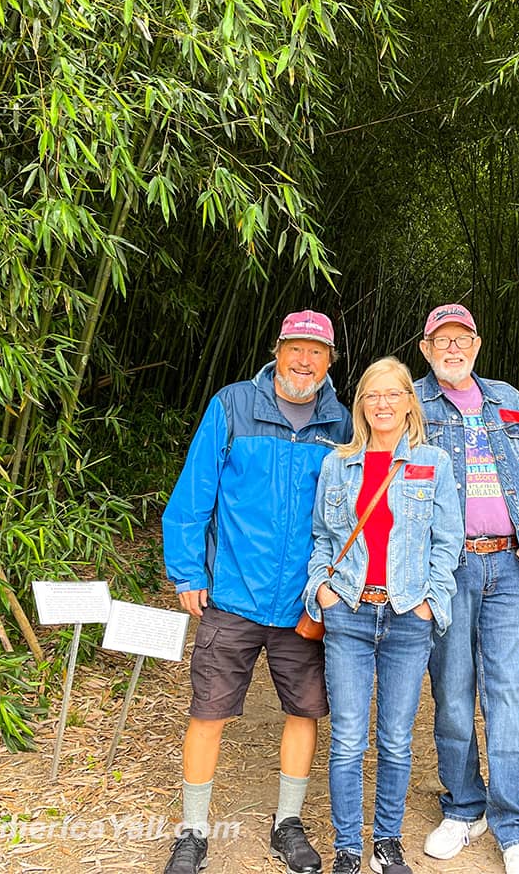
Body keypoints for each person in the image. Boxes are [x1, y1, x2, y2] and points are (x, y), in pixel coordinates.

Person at [161, 310, 352, 874]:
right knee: (208, 711)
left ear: (329, 361)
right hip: (233, 594)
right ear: (278, 348)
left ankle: (287, 823)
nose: (304, 360)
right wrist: (188, 571)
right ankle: (193, 832)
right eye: (296, 348)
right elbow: (194, 493)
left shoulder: (342, 423)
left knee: (304, 710)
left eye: (316, 352)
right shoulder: (233, 405)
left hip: (304, 600)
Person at [303, 357, 463, 874]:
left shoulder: (433, 463)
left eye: (394, 393)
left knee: (395, 739)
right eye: (373, 395)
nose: (384, 403)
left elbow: (448, 543)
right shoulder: (338, 464)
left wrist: (428, 602)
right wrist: (322, 589)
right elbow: (322, 539)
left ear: (409, 402)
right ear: (361, 405)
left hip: (406, 617)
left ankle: (387, 842)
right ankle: (349, 846)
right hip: (348, 610)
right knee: (348, 739)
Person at [414, 304, 519, 874]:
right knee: (451, 692)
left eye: (462, 339)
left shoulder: (509, 400)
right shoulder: (414, 405)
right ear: (425, 350)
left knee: (505, 691)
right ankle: (463, 805)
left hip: (508, 569)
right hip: (447, 570)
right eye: (441, 341)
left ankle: (514, 826)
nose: (453, 349)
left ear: (476, 343)